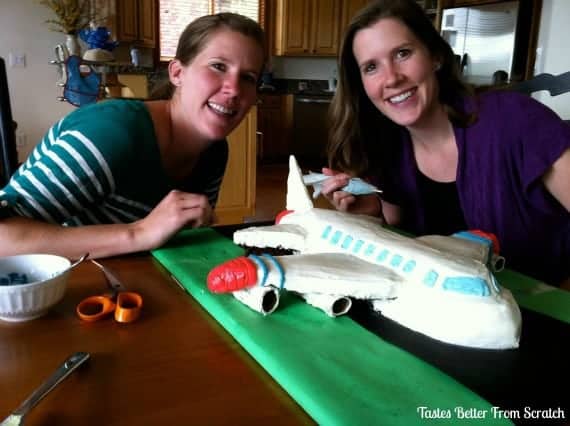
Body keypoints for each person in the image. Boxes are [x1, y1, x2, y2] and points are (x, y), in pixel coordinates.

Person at [321, 0, 570, 287]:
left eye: (403, 53)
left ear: (435, 56)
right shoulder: (387, 149)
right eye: (371, 67)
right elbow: (402, 243)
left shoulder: (516, 119)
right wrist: (372, 217)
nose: (391, 78)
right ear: (362, 85)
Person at [0, 13, 265, 259]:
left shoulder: (215, 151)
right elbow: (4, 238)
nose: (233, 89)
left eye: (248, 78)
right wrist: (138, 233)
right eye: (218, 66)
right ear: (177, 73)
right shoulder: (111, 134)